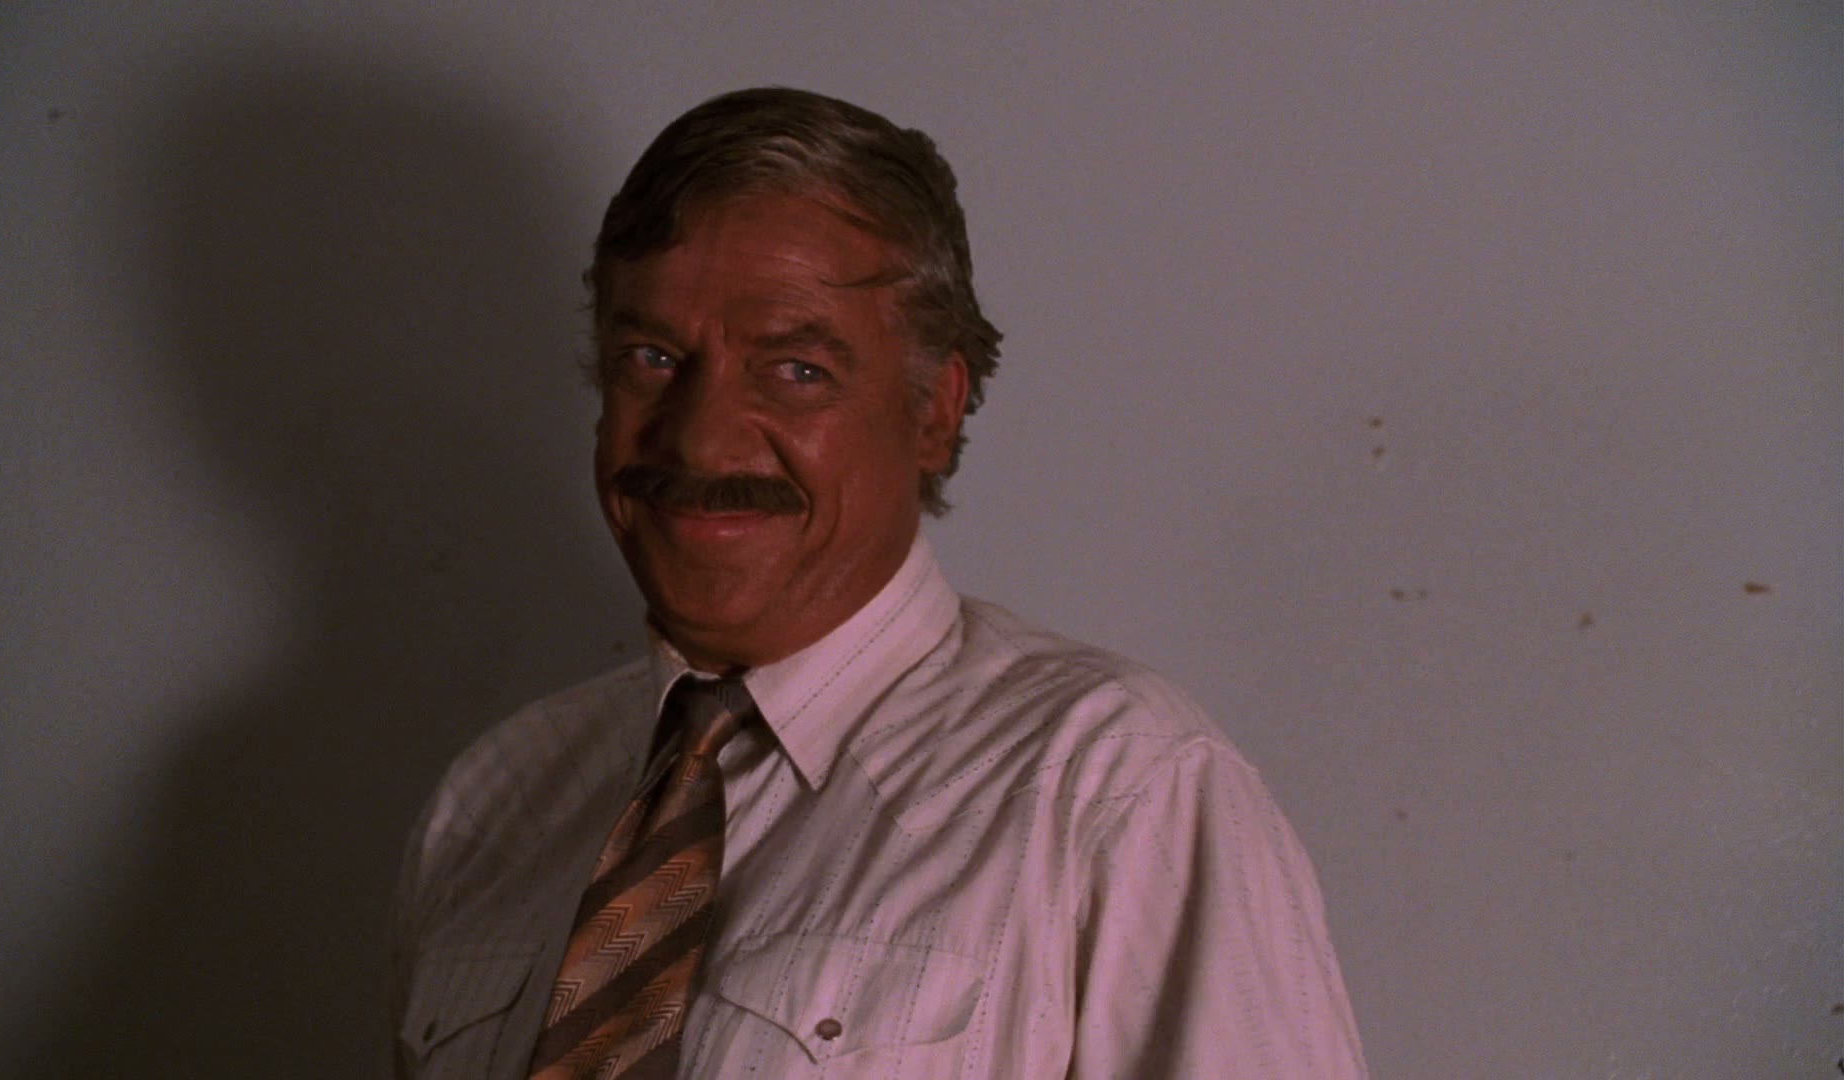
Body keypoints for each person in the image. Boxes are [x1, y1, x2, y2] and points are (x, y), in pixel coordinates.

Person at [390, 86, 1367, 1079]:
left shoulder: (1117, 789)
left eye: (795, 370)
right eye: (651, 357)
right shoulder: (498, 800)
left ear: (935, 410)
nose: (700, 440)